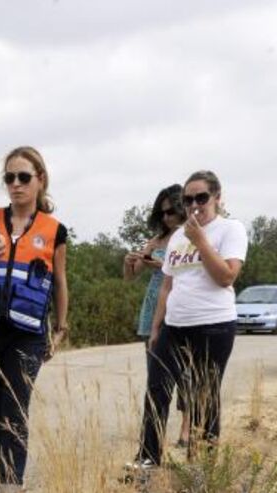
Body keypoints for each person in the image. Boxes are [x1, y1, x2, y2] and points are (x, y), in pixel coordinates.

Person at [131, 170, 248, 472]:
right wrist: (156, 327)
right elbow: (167, 286)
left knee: (203, 395)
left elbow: (226, 276)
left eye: (201, 197)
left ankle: (201, 469)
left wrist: (200, 241)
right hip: (174, 325)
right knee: (156, 389)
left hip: (214, 325)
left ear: (217, 198)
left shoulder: (230, 229)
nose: (194, 204)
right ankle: (147, 461)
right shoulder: (177, 237)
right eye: (188, 199)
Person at [0, 146, 69, 490]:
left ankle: (12, 482)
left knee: (14, 404)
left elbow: (59, 282)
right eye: (9, 177)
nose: (16, 184)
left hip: (28, 334)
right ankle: (5, 469)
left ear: (40, 180)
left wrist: (61, 328)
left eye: (24, 177)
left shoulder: (55, 230)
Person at [123, 184, 190, 447]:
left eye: (172, 212)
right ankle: (153, 435)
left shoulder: (189, 237)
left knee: (185, 373)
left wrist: (162, 266)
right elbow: (130, 277)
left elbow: (188, 272)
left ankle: (186, 428)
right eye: (162, 213)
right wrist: (130, 261)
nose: (167, 218)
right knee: (155, 374)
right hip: (153, 307)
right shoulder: (156, 240)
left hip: (179, 306)